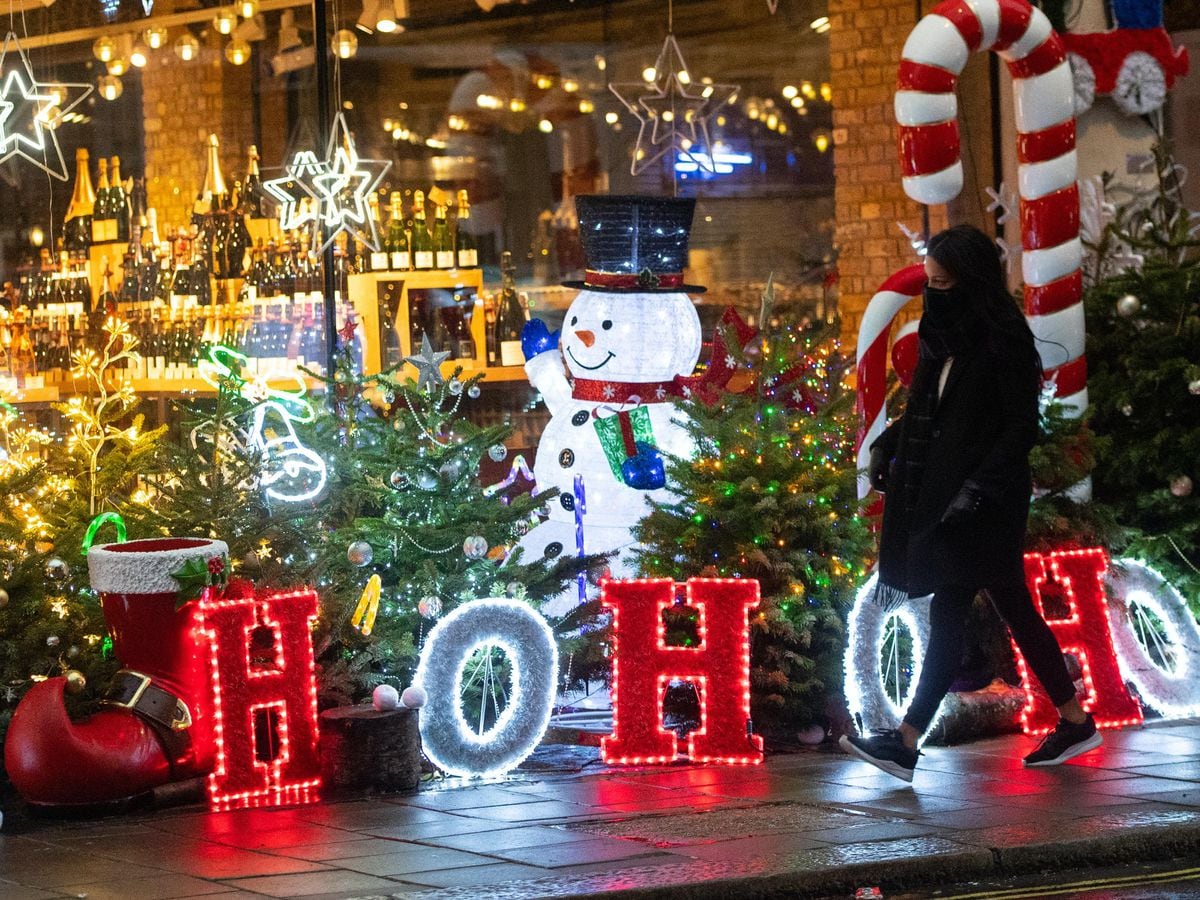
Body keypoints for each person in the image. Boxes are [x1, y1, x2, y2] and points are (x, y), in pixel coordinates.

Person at [839, 224, 1100, 783]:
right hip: (949, 498)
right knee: (1012, 608)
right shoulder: (942, 339)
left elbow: (1019, 429)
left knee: (953, 608)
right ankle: (1075, 721)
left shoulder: (1003, 341)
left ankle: (906, 742)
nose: (933, 292)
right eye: (929, 281)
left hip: (987, 502)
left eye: (943, 282)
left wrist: (976, 490)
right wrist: (891, 444)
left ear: (971, 282)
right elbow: (931, 412)